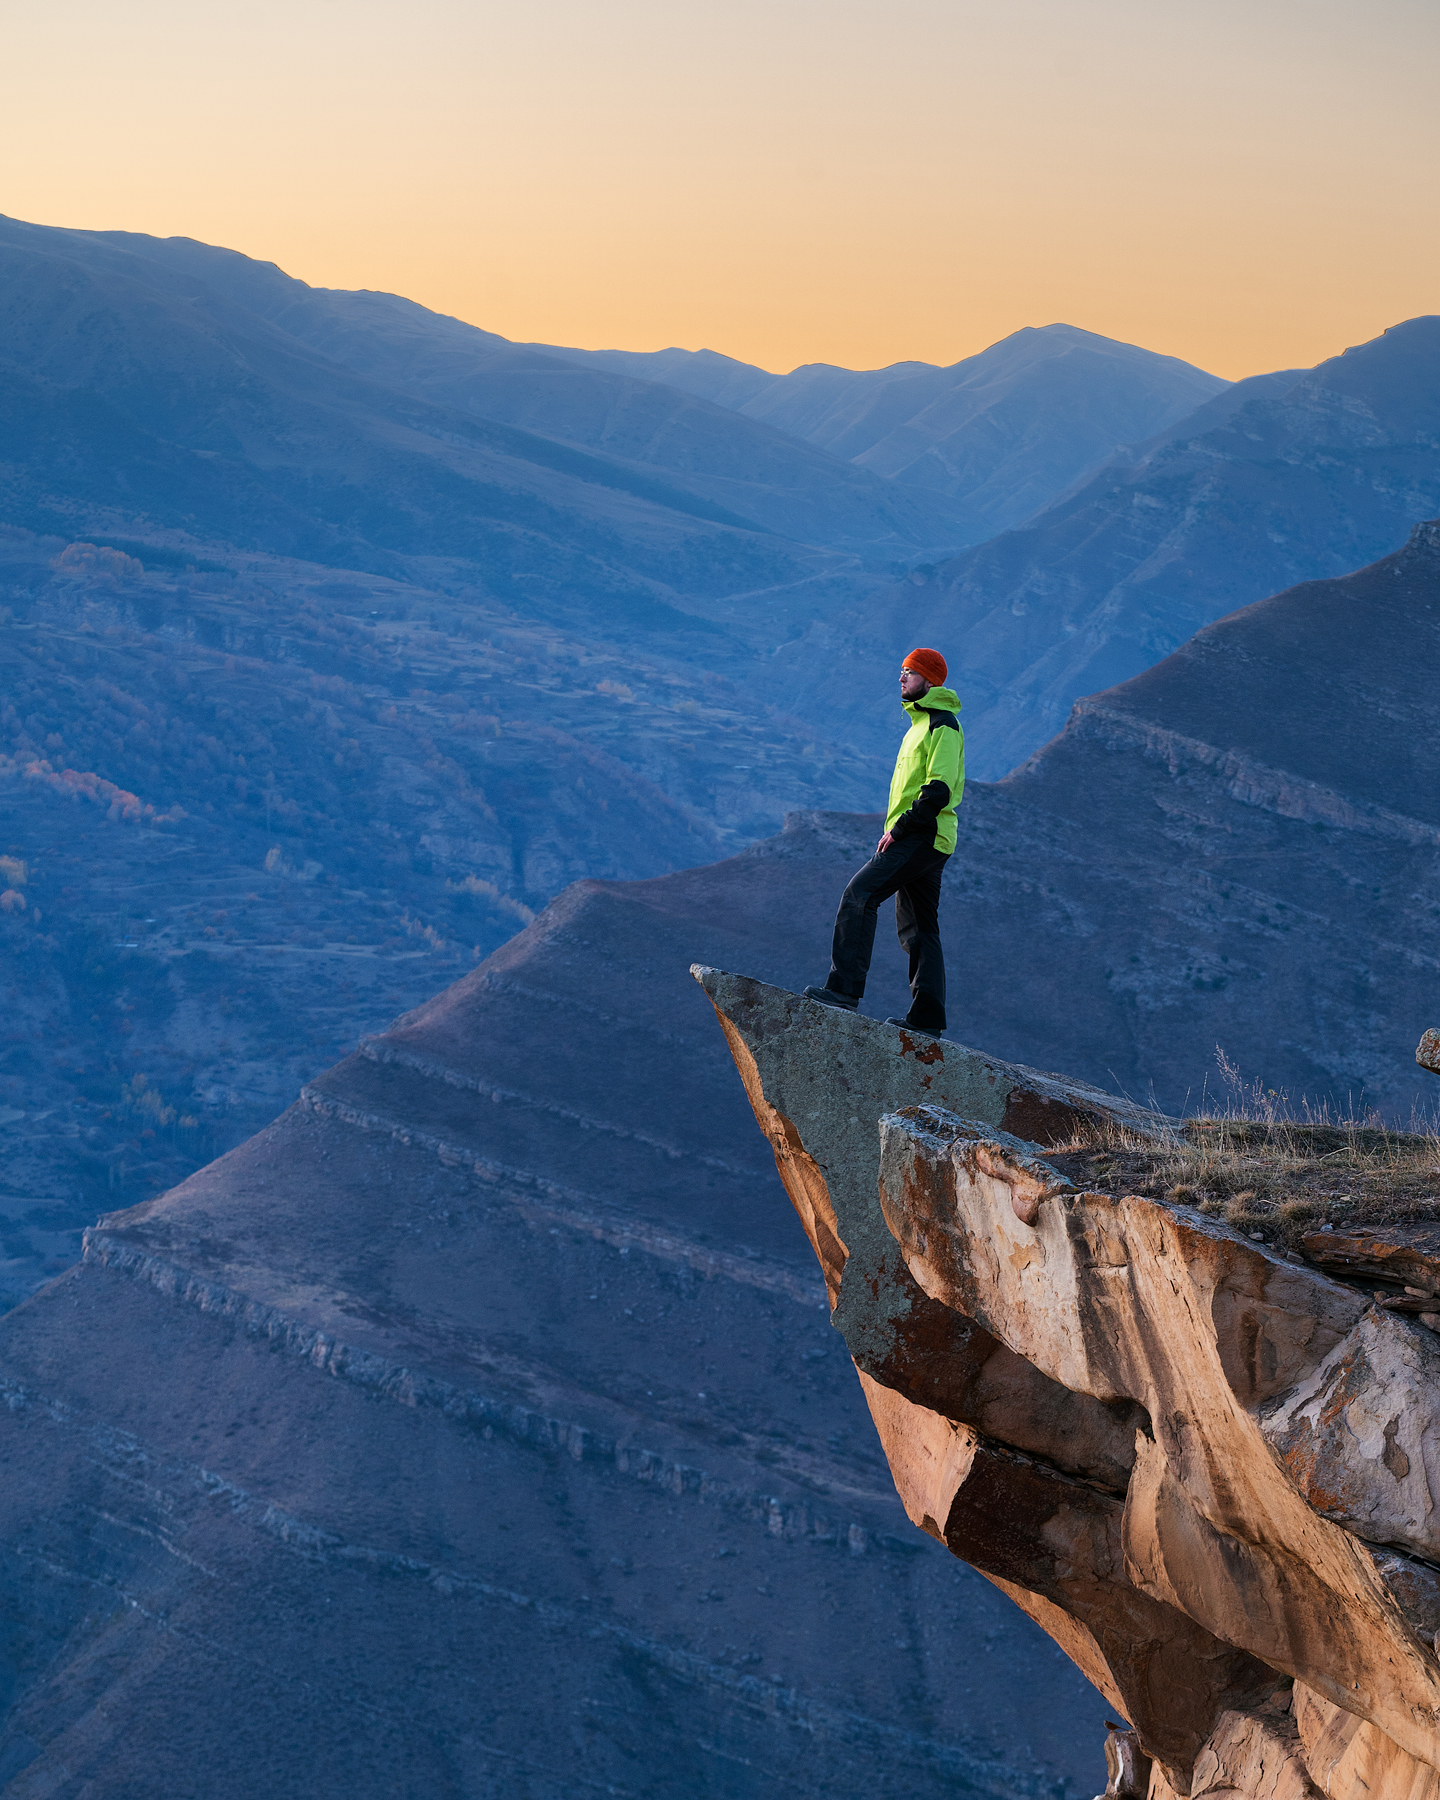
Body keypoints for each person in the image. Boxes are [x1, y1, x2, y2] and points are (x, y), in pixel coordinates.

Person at [803, 647, 963, 1036]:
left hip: (922, 835)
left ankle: (843, 991)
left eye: (909, 672)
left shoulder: (943, 725)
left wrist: (901, 829)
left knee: (859, 896)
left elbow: (937, 790)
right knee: (920, 928)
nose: (901, 678)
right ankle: (926, 1020)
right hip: (926, 837)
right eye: (902, 671)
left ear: (929, 680)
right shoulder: (918, 726)